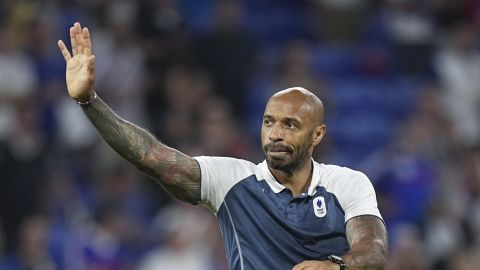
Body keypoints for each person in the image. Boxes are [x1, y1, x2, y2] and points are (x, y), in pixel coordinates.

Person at [58, 22, 387, 270]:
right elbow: (152, 157)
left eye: (290, 125)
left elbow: (373, 248)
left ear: (317, 135)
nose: (274, 134)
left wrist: (336, 265)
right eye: (268, 122)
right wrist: (89, 101)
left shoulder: (346, 183)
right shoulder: (232, 180)